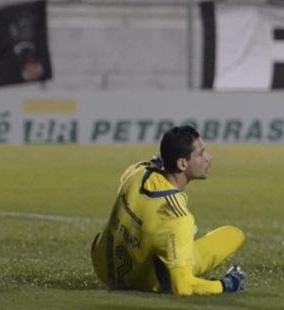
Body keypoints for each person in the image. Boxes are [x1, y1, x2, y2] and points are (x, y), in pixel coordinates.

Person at [90, 125, 246, 296]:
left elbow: (132, 173)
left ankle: (162, 259)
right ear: (182, 163)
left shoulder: (138, 173)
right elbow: (184, 287)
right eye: (201, 154)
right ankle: (165, 274)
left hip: (102, 267)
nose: (209, 157)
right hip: (137, 283)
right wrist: (226, 285)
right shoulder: (177, 219)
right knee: (234, 235)